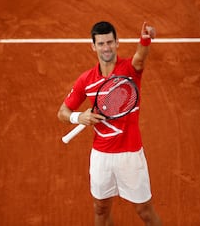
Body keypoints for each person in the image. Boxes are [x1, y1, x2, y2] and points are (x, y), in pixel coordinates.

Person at [57, 21, 161, 225]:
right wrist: (79, 117)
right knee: (100, 208)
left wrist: (145, 39)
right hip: (101, 156)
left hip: (130, 155)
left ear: (117, 43)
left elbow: (140, 58)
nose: (106, 47)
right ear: (93, 46)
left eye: (110, 42)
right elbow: (62, 112)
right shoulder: (86, 80)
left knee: (144, 211)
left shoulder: (130, 70)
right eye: (101, 43)